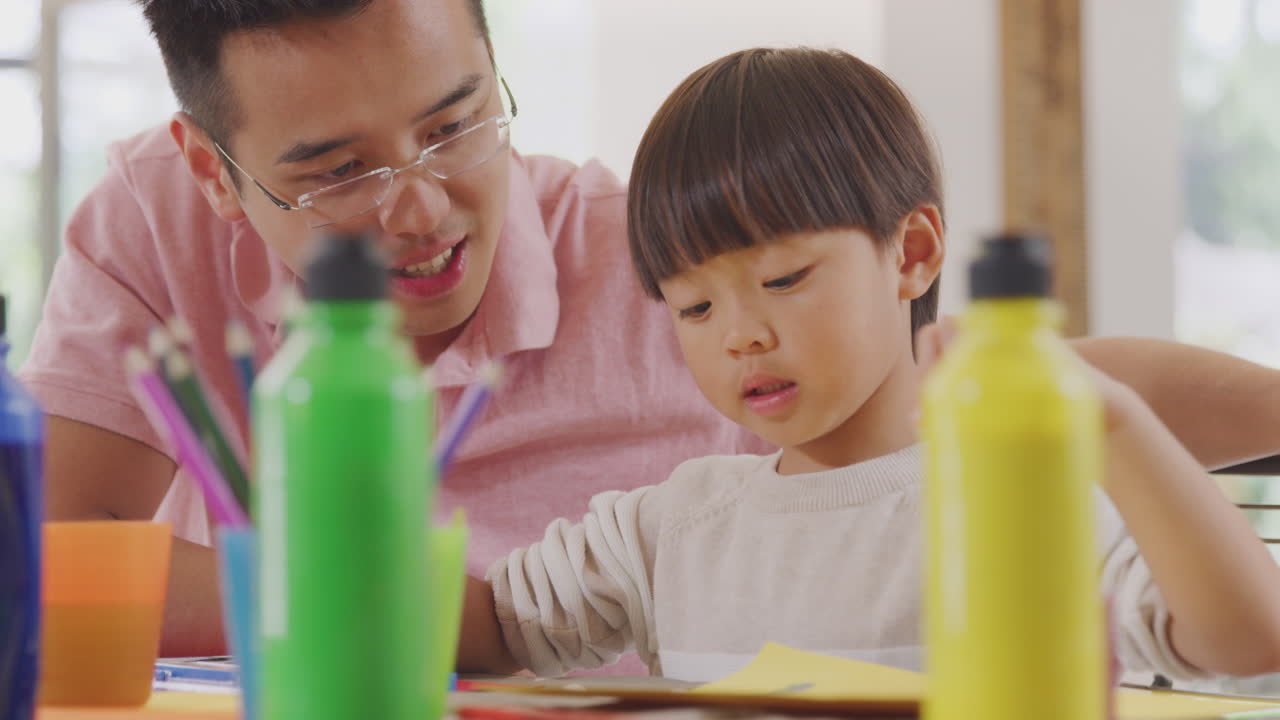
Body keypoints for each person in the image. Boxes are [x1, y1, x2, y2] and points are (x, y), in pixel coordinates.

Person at [19, 0, 1280, 659]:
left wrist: (1104, 417)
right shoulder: (665, 530)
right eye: (333, 169)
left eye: (456, 121)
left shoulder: (661, 253)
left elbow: (1036, 386)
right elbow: (49, 564)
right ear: (210, 165)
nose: (417, 204)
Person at [455, 47, 1280, 682]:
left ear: (912, 255)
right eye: (694, 308)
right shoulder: (664, 532)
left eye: (783, 279)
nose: (738, 336)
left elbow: (1248, 636)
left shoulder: (1023, 504)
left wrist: (1120, 425)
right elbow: (491, 626)